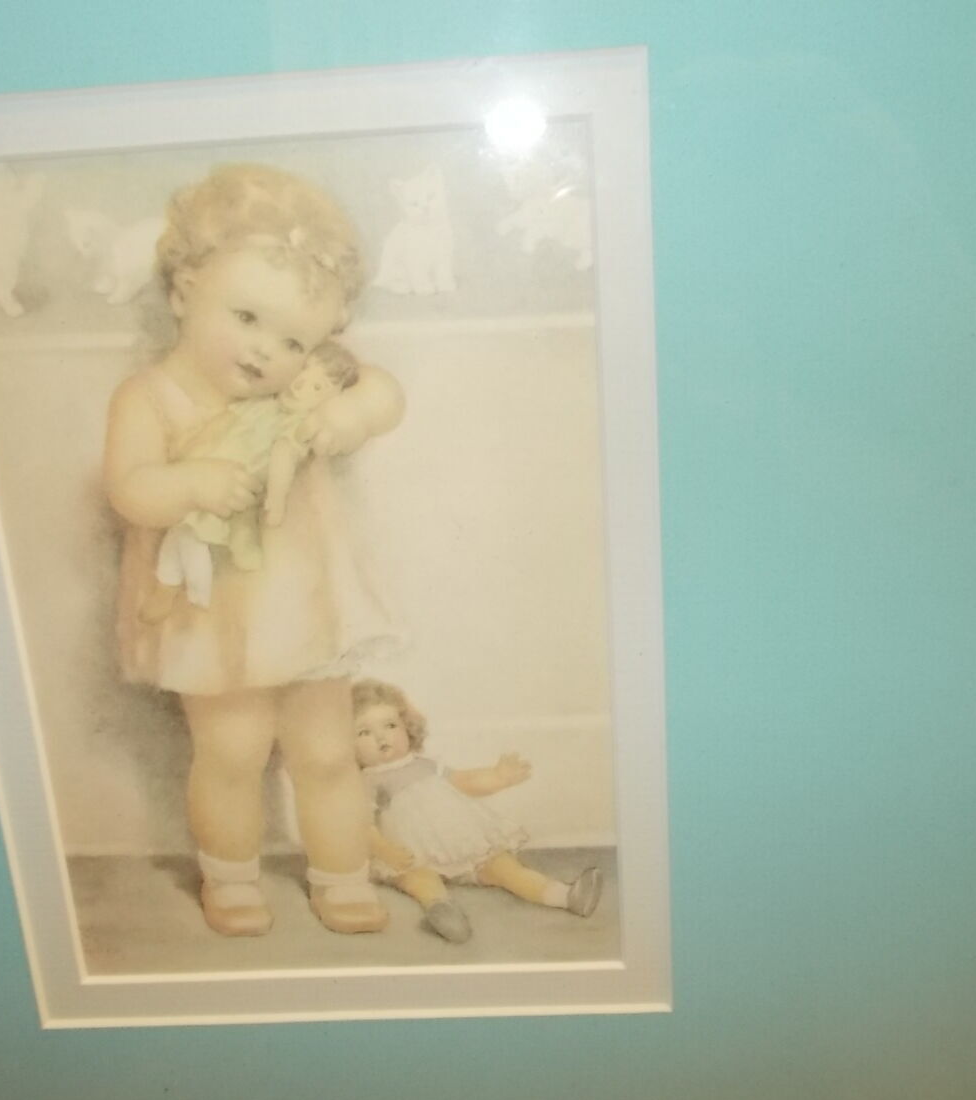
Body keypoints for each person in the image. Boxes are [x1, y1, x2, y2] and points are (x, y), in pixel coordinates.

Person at [103, 163, 403, 937]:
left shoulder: (298, 392)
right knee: (231, 752)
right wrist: (188, 482)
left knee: (327, 752)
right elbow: (129, 488)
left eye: (294, 340)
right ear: (184, 292)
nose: (267, 351)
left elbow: (382, 391)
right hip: (212, 616)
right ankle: (231, 878)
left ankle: (341, 875)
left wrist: (350, 418)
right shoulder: (150, 395)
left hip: (305, 608)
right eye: (246, 317)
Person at [352, 679, 602, 944]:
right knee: (419, 879)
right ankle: (441, 909)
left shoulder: (425, 765)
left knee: (504, 867)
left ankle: (564, 895)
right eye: (364, 732)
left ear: (407, 727)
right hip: (411, 853)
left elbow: (465, 782)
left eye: (390, 725)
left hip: (462, 844)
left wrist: (498, 777)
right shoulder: (367, 781)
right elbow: (361, 823)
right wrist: (384, 850)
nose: (381, 737)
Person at [138, 341, 360, 622]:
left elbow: (282, 459)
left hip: (233, 486)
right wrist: (192, 445)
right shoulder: (263, 404)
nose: (301, 384)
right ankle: (185, 589)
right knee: (188, 530)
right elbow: (223, 422)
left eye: (317, 387)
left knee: (191, 534)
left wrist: (276, 500)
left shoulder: (295, 426)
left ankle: (194, 598)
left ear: (329, 401)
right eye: (303, 370)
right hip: (207, 470)